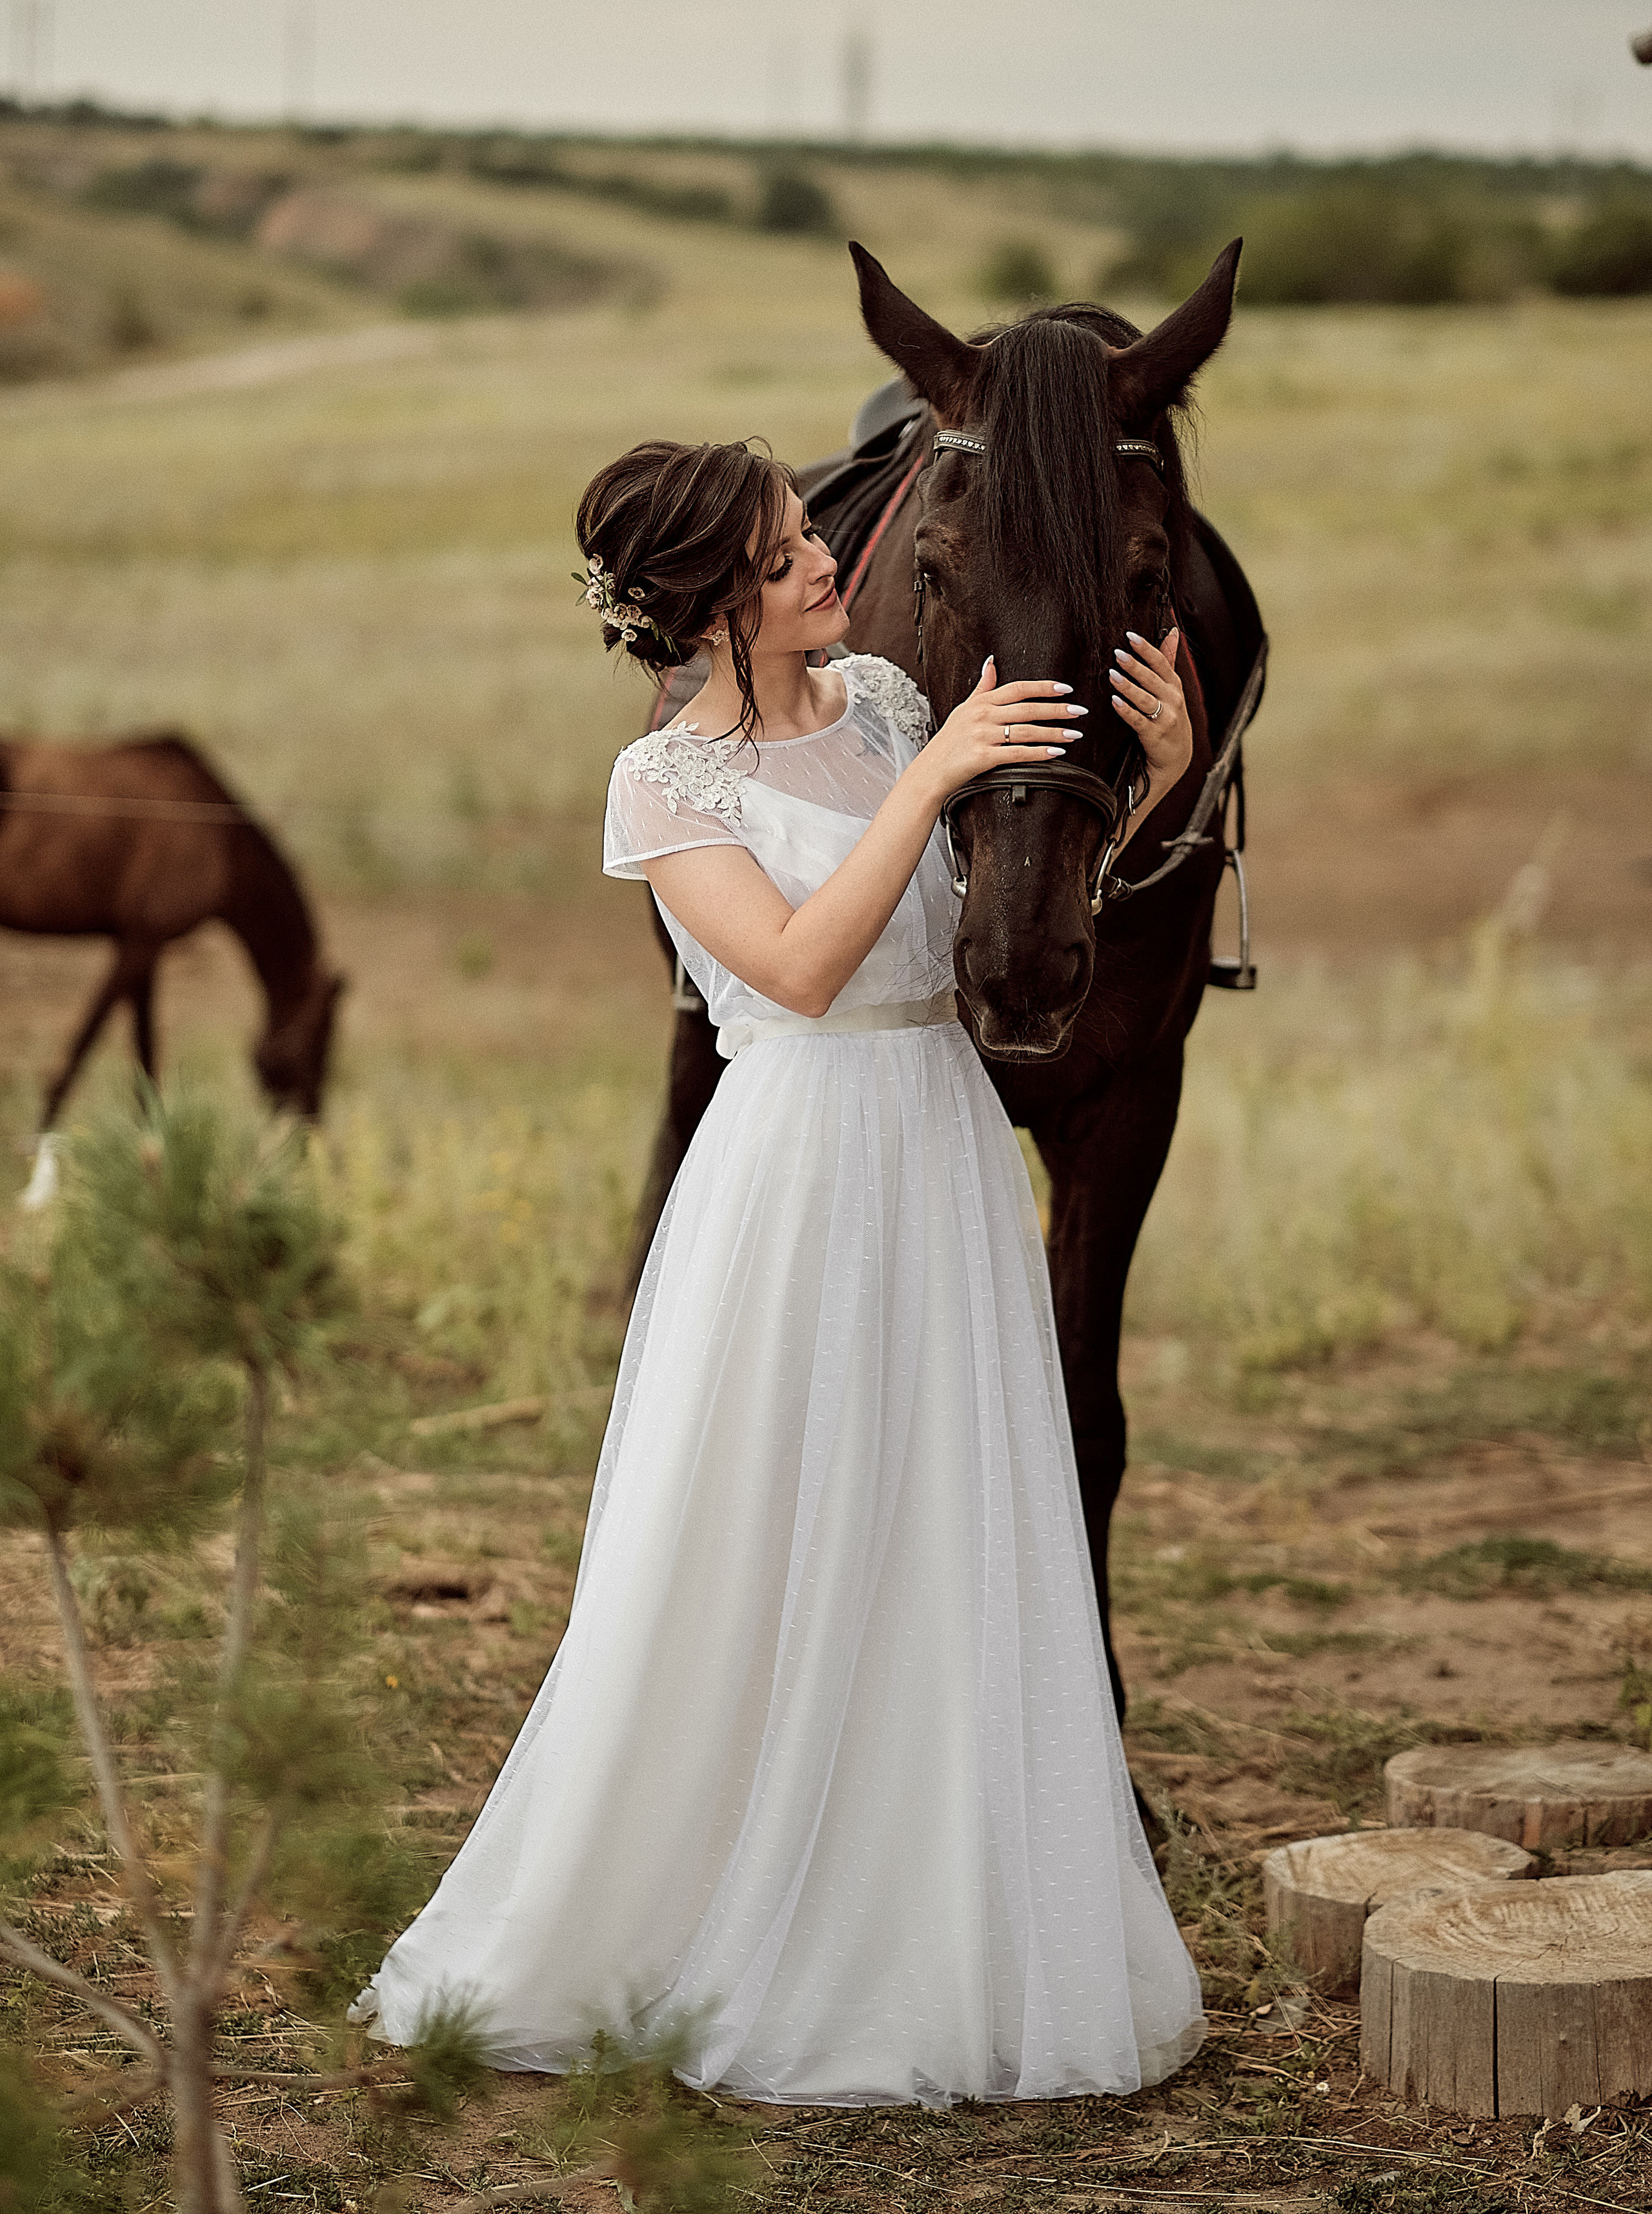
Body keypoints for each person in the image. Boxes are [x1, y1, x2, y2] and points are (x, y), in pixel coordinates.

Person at [354, 437, 1204, 2105]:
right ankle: (707, 1892)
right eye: (790, 544)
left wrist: (1152, 779)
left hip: (940, 1154)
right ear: (718, 600)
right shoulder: (664, 791)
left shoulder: (889, 700)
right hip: (794, 1180)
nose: (830, 552)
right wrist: (932, 773)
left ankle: (934, 1905)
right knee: (754, 1534)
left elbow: (1005, 901)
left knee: (940, 1521)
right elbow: (806, 972)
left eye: (810, 530)